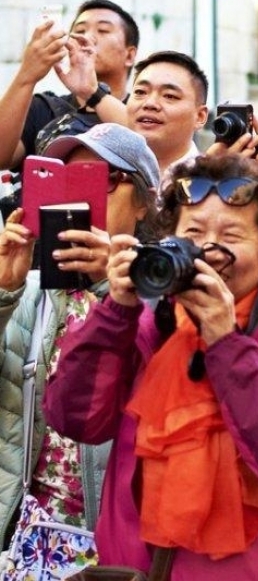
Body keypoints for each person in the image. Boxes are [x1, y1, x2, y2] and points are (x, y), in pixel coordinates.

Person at [42, 154, 258, 581]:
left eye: (231, 234)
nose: (208, 250)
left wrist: (226, 342)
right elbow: (74, 418)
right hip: (132, 569)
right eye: (193, 233)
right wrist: (116, 312)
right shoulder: (146, 325)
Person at [0, 124, 157, 546]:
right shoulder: (30, 292)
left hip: (115, 539)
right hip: (24, 538)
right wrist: (4, 292)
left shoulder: (164, 296)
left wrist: (113, 282)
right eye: (66, 182)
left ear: (146, 202)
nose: (83, 199)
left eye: (103, 180)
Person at [0, 0, 139, 173]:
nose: (88, 37)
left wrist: (93, 93)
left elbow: (150, 148)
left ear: (130, 55)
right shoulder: (44, 108)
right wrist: (26, 77)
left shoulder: (143, 110)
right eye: (80, 30)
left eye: (103, 30)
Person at [128, 50, 209, 176]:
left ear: (200, 116)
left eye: (169, 96)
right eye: (140, 92)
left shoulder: (217, 184)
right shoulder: (107, 174)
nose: (150, 103)